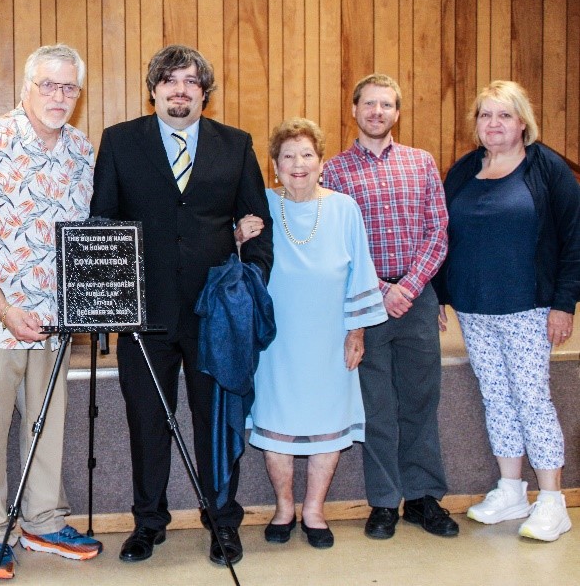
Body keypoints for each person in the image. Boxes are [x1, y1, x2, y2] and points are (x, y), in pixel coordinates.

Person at [90, 44, 273, 566]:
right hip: (143, 318)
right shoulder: (120, 142)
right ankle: (149, 523)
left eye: (191, 81)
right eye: (169, 81)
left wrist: (247, 283)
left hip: (214, 319)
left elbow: (258, 229)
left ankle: (222, 522)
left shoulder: (235, 146)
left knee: (214, 422)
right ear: (153, 90)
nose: (180, 90)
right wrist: (110, 303)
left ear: (205, 93)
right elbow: (102, 224)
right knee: (147, 425)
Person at [0, 44, 100, 580]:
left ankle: (43, 519)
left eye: (69, 88)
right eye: (49, 85)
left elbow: (87, 240)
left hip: (55, 325)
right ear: (26, 88)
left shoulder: (82, 151)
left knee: (45, 426)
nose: (59, 97)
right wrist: (4, 307)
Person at [435, 81, 579, 542]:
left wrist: (563, 304)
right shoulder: (464, 171)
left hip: (528, 307)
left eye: (503, 115)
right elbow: (440, 231)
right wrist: (439, 294)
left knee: (532, 399)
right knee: (497, 399)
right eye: (485, 115)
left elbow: (575, 239)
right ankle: (512, 489)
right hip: (476, 308)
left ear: (523, 122)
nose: (493, 124)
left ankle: (552, 501)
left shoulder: (548, 169)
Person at [323, 73, 459, 540]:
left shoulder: (421, 163)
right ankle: (383, 502)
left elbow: (438, 231)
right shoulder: (336, 171)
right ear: (355, 109)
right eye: (369, 104)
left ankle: (423, 498)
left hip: (418, 299)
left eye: (386, 105)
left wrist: (410, 286)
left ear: (397, 113)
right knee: (377, 406)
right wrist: (381, 289)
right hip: (365, 302)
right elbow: (336, 243)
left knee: (421, 401)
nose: (377, 112)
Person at [245, 118, 387, 549]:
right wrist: (237, 237)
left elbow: (359, 270)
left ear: (321, 162)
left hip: (330, 337)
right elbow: (237, 262)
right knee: (278, 423)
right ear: (275, 165)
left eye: (307, 154)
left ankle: (314, 510)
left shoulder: (344, 208)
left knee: (328, 422)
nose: (298, 164)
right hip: (275, 340)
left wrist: (356, 332)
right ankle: (284, 507)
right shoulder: (261, 206)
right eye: (288, 156)